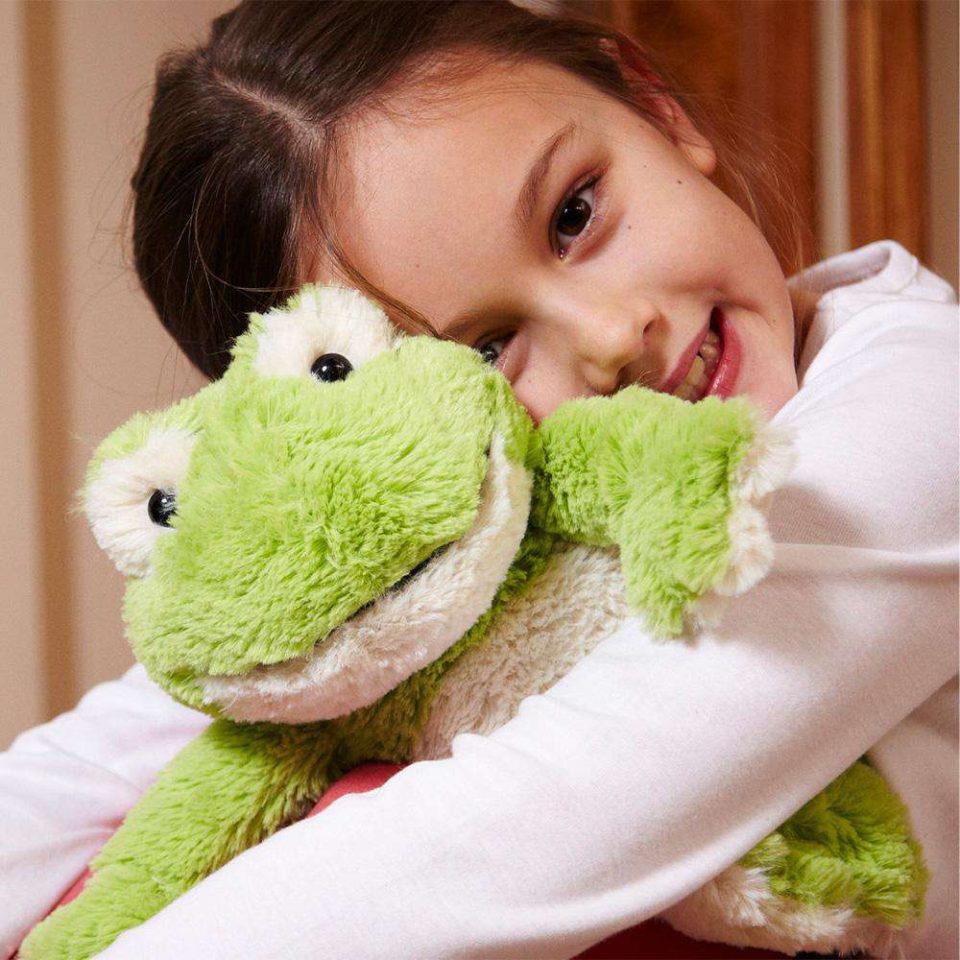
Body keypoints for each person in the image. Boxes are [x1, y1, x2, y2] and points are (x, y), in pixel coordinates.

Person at [2, 2, 957, 958]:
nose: (612, 336)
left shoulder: (923, 403)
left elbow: (543, 824)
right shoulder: (475, 529)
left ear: (657, 107)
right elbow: (101, 758)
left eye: (575, 214)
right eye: (486, 351)